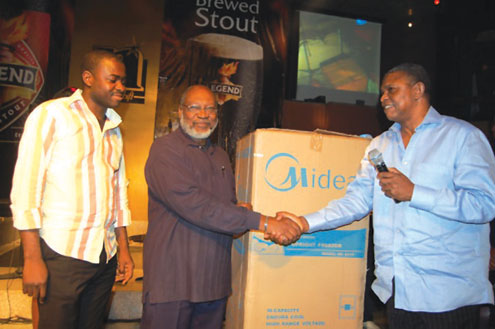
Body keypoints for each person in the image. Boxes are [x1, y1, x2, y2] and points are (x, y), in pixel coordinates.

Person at [278, 63, 495, 329]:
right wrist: (303, 222)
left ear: (418, 90)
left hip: (450, 295)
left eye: (391, 89)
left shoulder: (462, 137)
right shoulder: (379, 145)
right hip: (398, 291)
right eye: (381, 92)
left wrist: (415, 192)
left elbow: (484, 205)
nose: (382, 98)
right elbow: (356, 201)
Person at [141, 84, 302, 329]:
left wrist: (239, 215)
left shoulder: (221, 156)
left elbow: (223, 210)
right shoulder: (165, 151)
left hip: (213, 282)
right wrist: (264, 221)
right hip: (173, 282)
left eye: (210, 109)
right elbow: (196, 205)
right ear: (180, 111)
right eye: (195, 108)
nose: (203, 115)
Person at [10, 49, 134, 329]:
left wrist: (123, 249)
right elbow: (25, 189)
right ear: (88, 78)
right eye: (113, 79)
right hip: (62, 253)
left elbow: (118, 195)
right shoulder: (52, 115)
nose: (121, 87)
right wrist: (32, 259)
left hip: (104, 256)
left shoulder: (114, 128)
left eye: (123, 81)